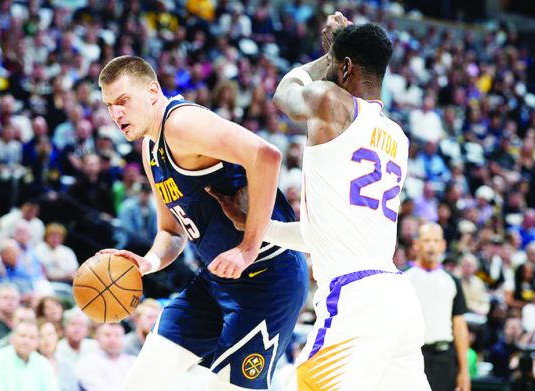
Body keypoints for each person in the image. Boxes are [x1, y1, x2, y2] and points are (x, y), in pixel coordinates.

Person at [209, 17, 429, 390]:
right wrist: (260, 227)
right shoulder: (398, 136)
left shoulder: (331, 102)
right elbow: (321, 235)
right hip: (397, 298)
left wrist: (328, 53)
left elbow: (285, 93)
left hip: (355, 297)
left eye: (335, 64)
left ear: (345, 68)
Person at [98, 54, 308, 391]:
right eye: (109, 105)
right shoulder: (151, 148)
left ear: (152, 92)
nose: (116, 113)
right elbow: (171, 231)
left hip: (268, 279)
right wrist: (147, 262)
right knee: (139, 383)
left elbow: (267, 155)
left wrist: (248, 247)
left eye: (123, 101)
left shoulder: (182, 124)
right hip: (215, 280)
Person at [405, 223, 470, 391]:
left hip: (445, 357)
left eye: (435, 240)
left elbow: (459, 326)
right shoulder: (403, 278)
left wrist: (464, 371)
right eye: (426, 240)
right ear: (416, 244)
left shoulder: (452, 281)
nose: (431, 245)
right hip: (413, 356)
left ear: (443, 245)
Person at [0, 321, 57, 391]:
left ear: (37, 342)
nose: (26, 341)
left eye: (32, 338)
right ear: (12, 338)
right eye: (22, 336)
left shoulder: (43, 364)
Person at [75, 323, 136, 390]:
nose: (113, 340)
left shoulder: (132, 362)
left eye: (117, 335)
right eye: (107, 335)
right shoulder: (87, 363)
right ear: (97, 338)